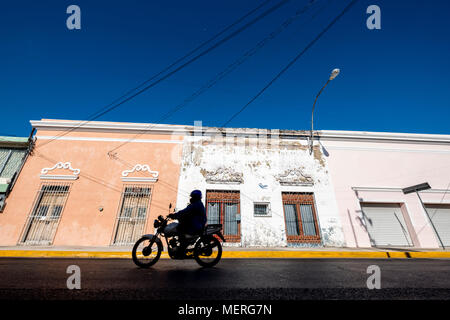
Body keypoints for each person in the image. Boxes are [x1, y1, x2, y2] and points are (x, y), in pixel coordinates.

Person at [168, 190, 207, 255]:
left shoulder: (196, 204)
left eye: (192, 197)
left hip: (196, 225)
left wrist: (174, 215)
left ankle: (181, 250)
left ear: (195, 197)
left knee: (179, 228)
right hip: (196, 224)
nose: (191, 198)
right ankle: (181, 247)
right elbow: (186, 212)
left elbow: (185, 212)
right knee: (180, 227)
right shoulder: (197, 204)